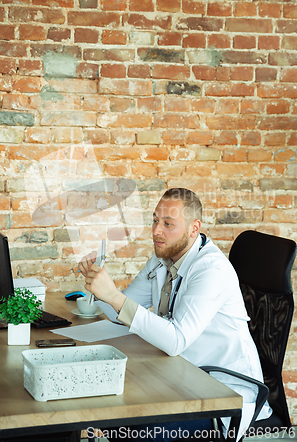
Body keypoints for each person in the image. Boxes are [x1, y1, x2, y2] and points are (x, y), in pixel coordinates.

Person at [78, 188, 271, 441]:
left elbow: (176, 339)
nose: (157, 231)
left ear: (194, 228)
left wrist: (114, 296)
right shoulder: (163, 258)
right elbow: (122, 312)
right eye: (155, 221)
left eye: (168, 224)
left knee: (134, 431)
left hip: (220, 396)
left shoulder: (211, 270)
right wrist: (100, 286)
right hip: (179, 378)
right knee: (103, 409)